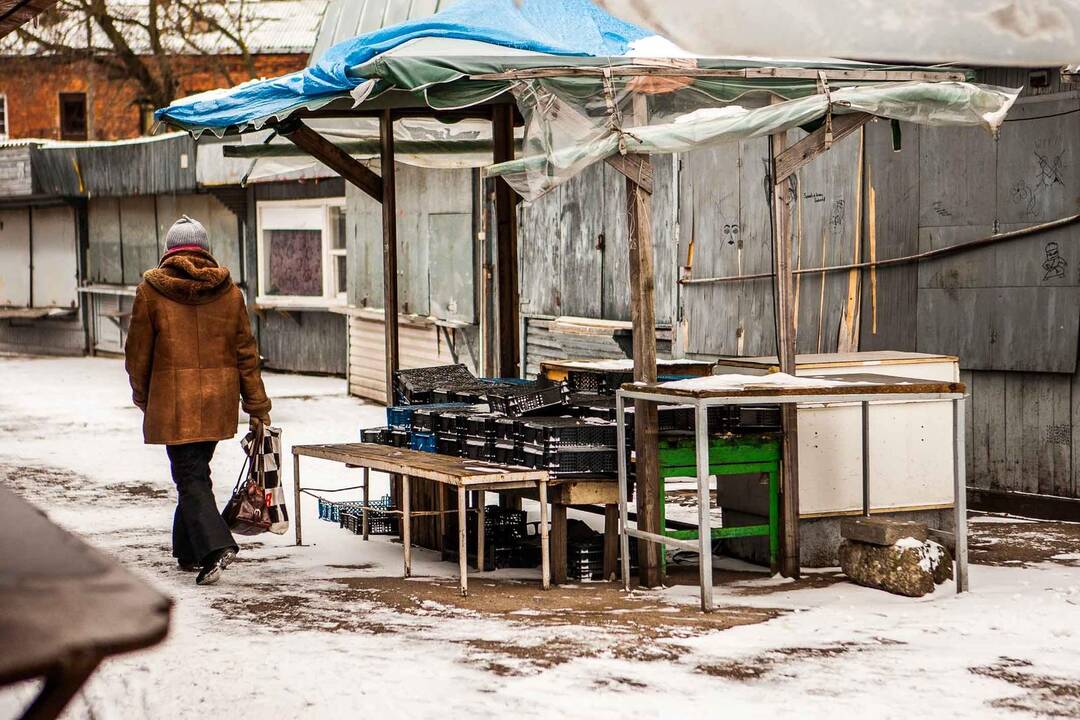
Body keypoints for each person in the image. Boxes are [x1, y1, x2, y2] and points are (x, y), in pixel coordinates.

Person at [124, 215, 271, 586]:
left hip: (174, 404)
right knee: (194, 473)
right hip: (217, 402)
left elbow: (137, 354)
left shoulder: (151, 291)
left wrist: (144, 397)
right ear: (205, 250)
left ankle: (215, 545)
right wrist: (257, 406)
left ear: (169, 251)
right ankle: (187, 549)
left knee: (189, 476)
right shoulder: (229, 292)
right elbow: (246, 354)